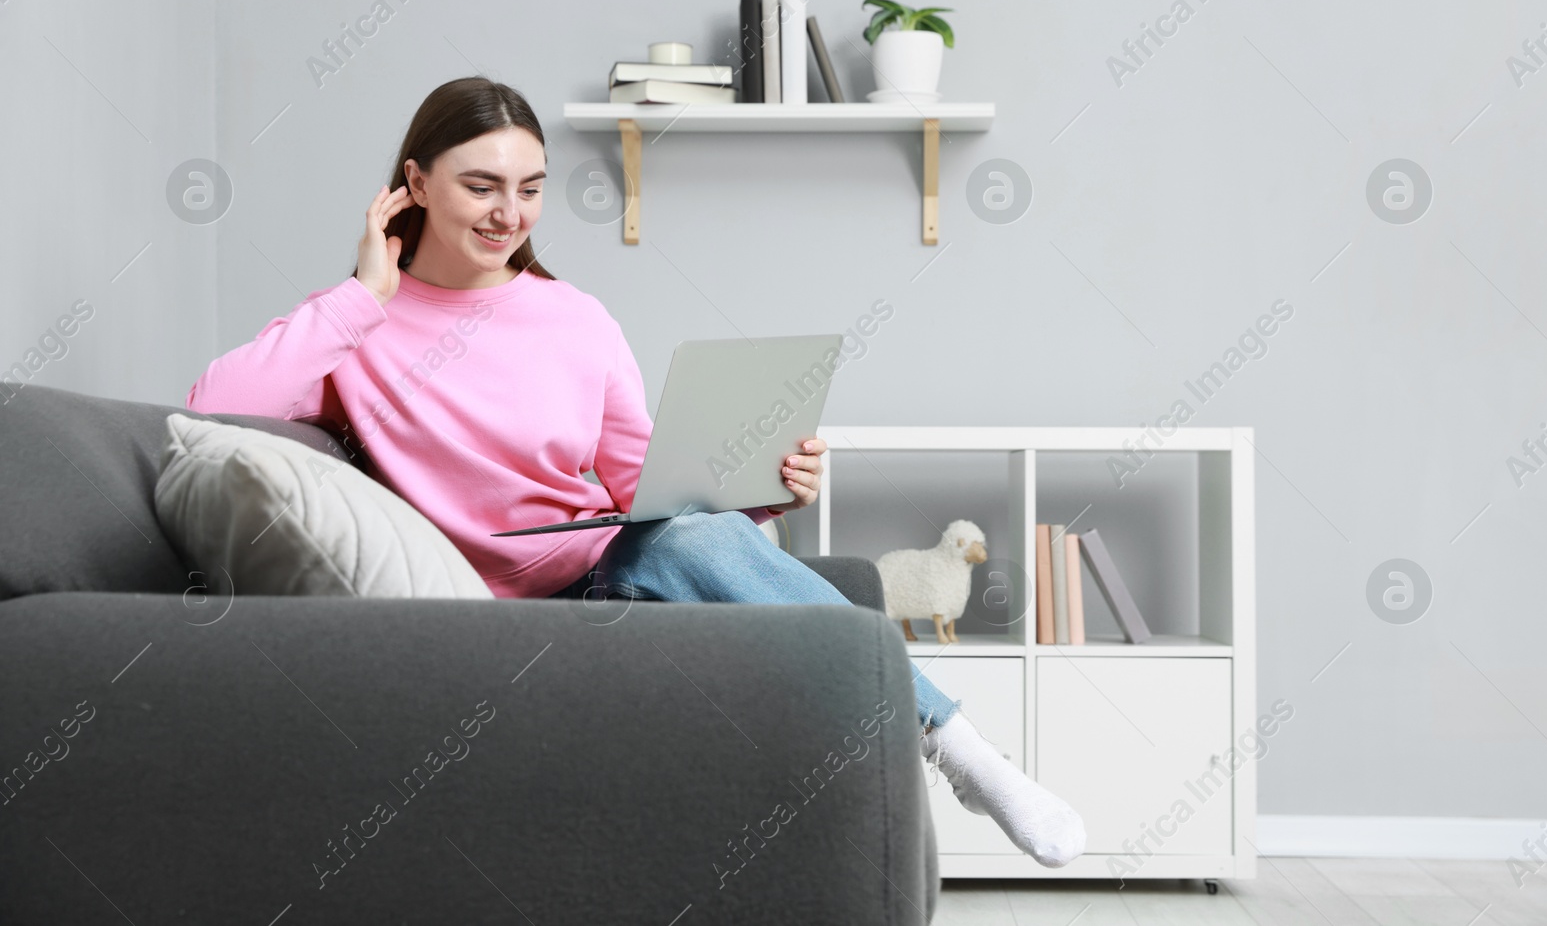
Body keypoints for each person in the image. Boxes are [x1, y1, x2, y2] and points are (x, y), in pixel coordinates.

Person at [186, 77, 1084, 867]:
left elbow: (645, 489)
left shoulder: (573, 318)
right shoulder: (355, 324)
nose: (510, 214)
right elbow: (216, 401)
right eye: (482, 186)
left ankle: (959, 750)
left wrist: (766, 488)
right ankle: (957, 747)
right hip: (479, 624)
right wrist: (363, 293)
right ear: (413, 185)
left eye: (531, 190)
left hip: (608, 588)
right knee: (687, 548)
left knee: (682, 535)